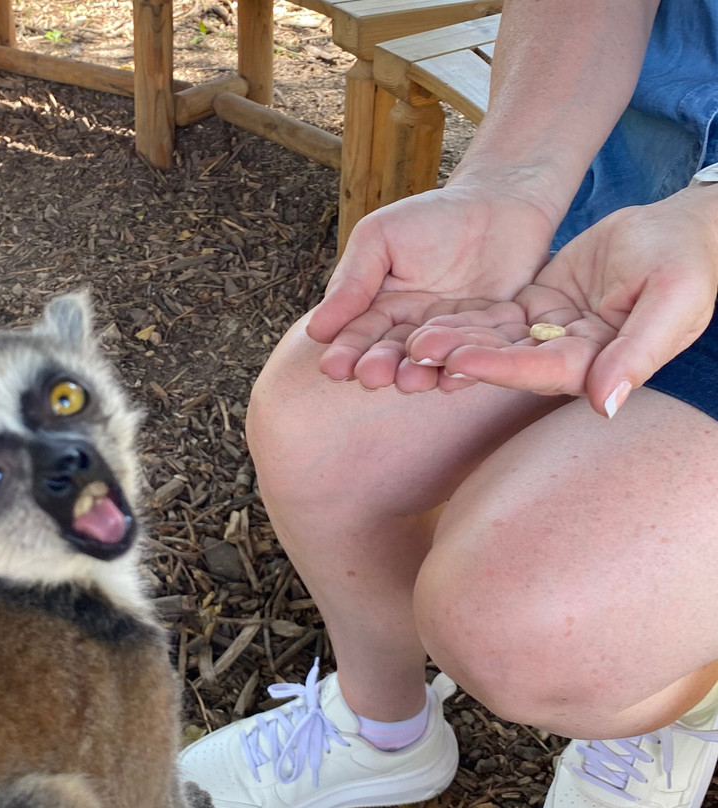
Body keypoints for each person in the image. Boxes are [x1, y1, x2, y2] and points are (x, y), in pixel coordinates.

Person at [179, 1, 718, 807]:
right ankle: (383, 730)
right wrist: (511, 180)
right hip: (622, 199)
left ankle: (687, 703)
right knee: (315, 424)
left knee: (536, 629)